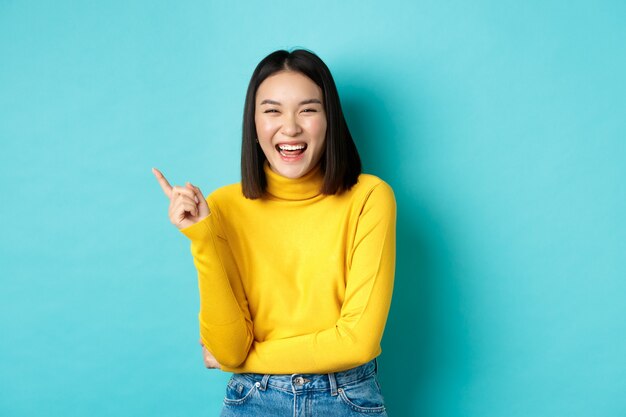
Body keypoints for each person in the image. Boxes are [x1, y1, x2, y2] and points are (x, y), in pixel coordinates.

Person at [153, 49, 396, 416]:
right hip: (253, 399)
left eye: (308, 109)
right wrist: (202, 237)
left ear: (329, 120)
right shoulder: (223, 206)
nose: (290, 127)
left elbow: (357, 343)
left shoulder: (369, 198)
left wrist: (246, 360)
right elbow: (229, 347)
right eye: (272, 110)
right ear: (253, 125)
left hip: (345, 398)